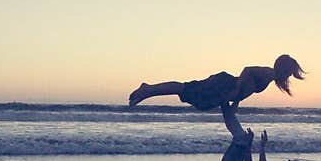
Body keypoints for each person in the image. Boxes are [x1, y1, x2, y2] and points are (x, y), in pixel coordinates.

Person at [129, 54, 305, 110]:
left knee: (188, 91)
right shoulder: (269, 73)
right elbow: (248, 70)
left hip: (226, 90)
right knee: (185, 89)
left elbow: (249, 85)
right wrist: (236, 91)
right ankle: (148, 89)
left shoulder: (271, 76)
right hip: (225, 84)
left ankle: (148, 91)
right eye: (290, 71)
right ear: (283, 67)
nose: (289, 75)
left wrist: (235, 100)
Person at [216, 102, 307, 161]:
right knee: (241, 138)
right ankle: (227, 103)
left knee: (241, 137)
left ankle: (229, 101)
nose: (289, 160)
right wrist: (249, 143)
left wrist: (262, 146)